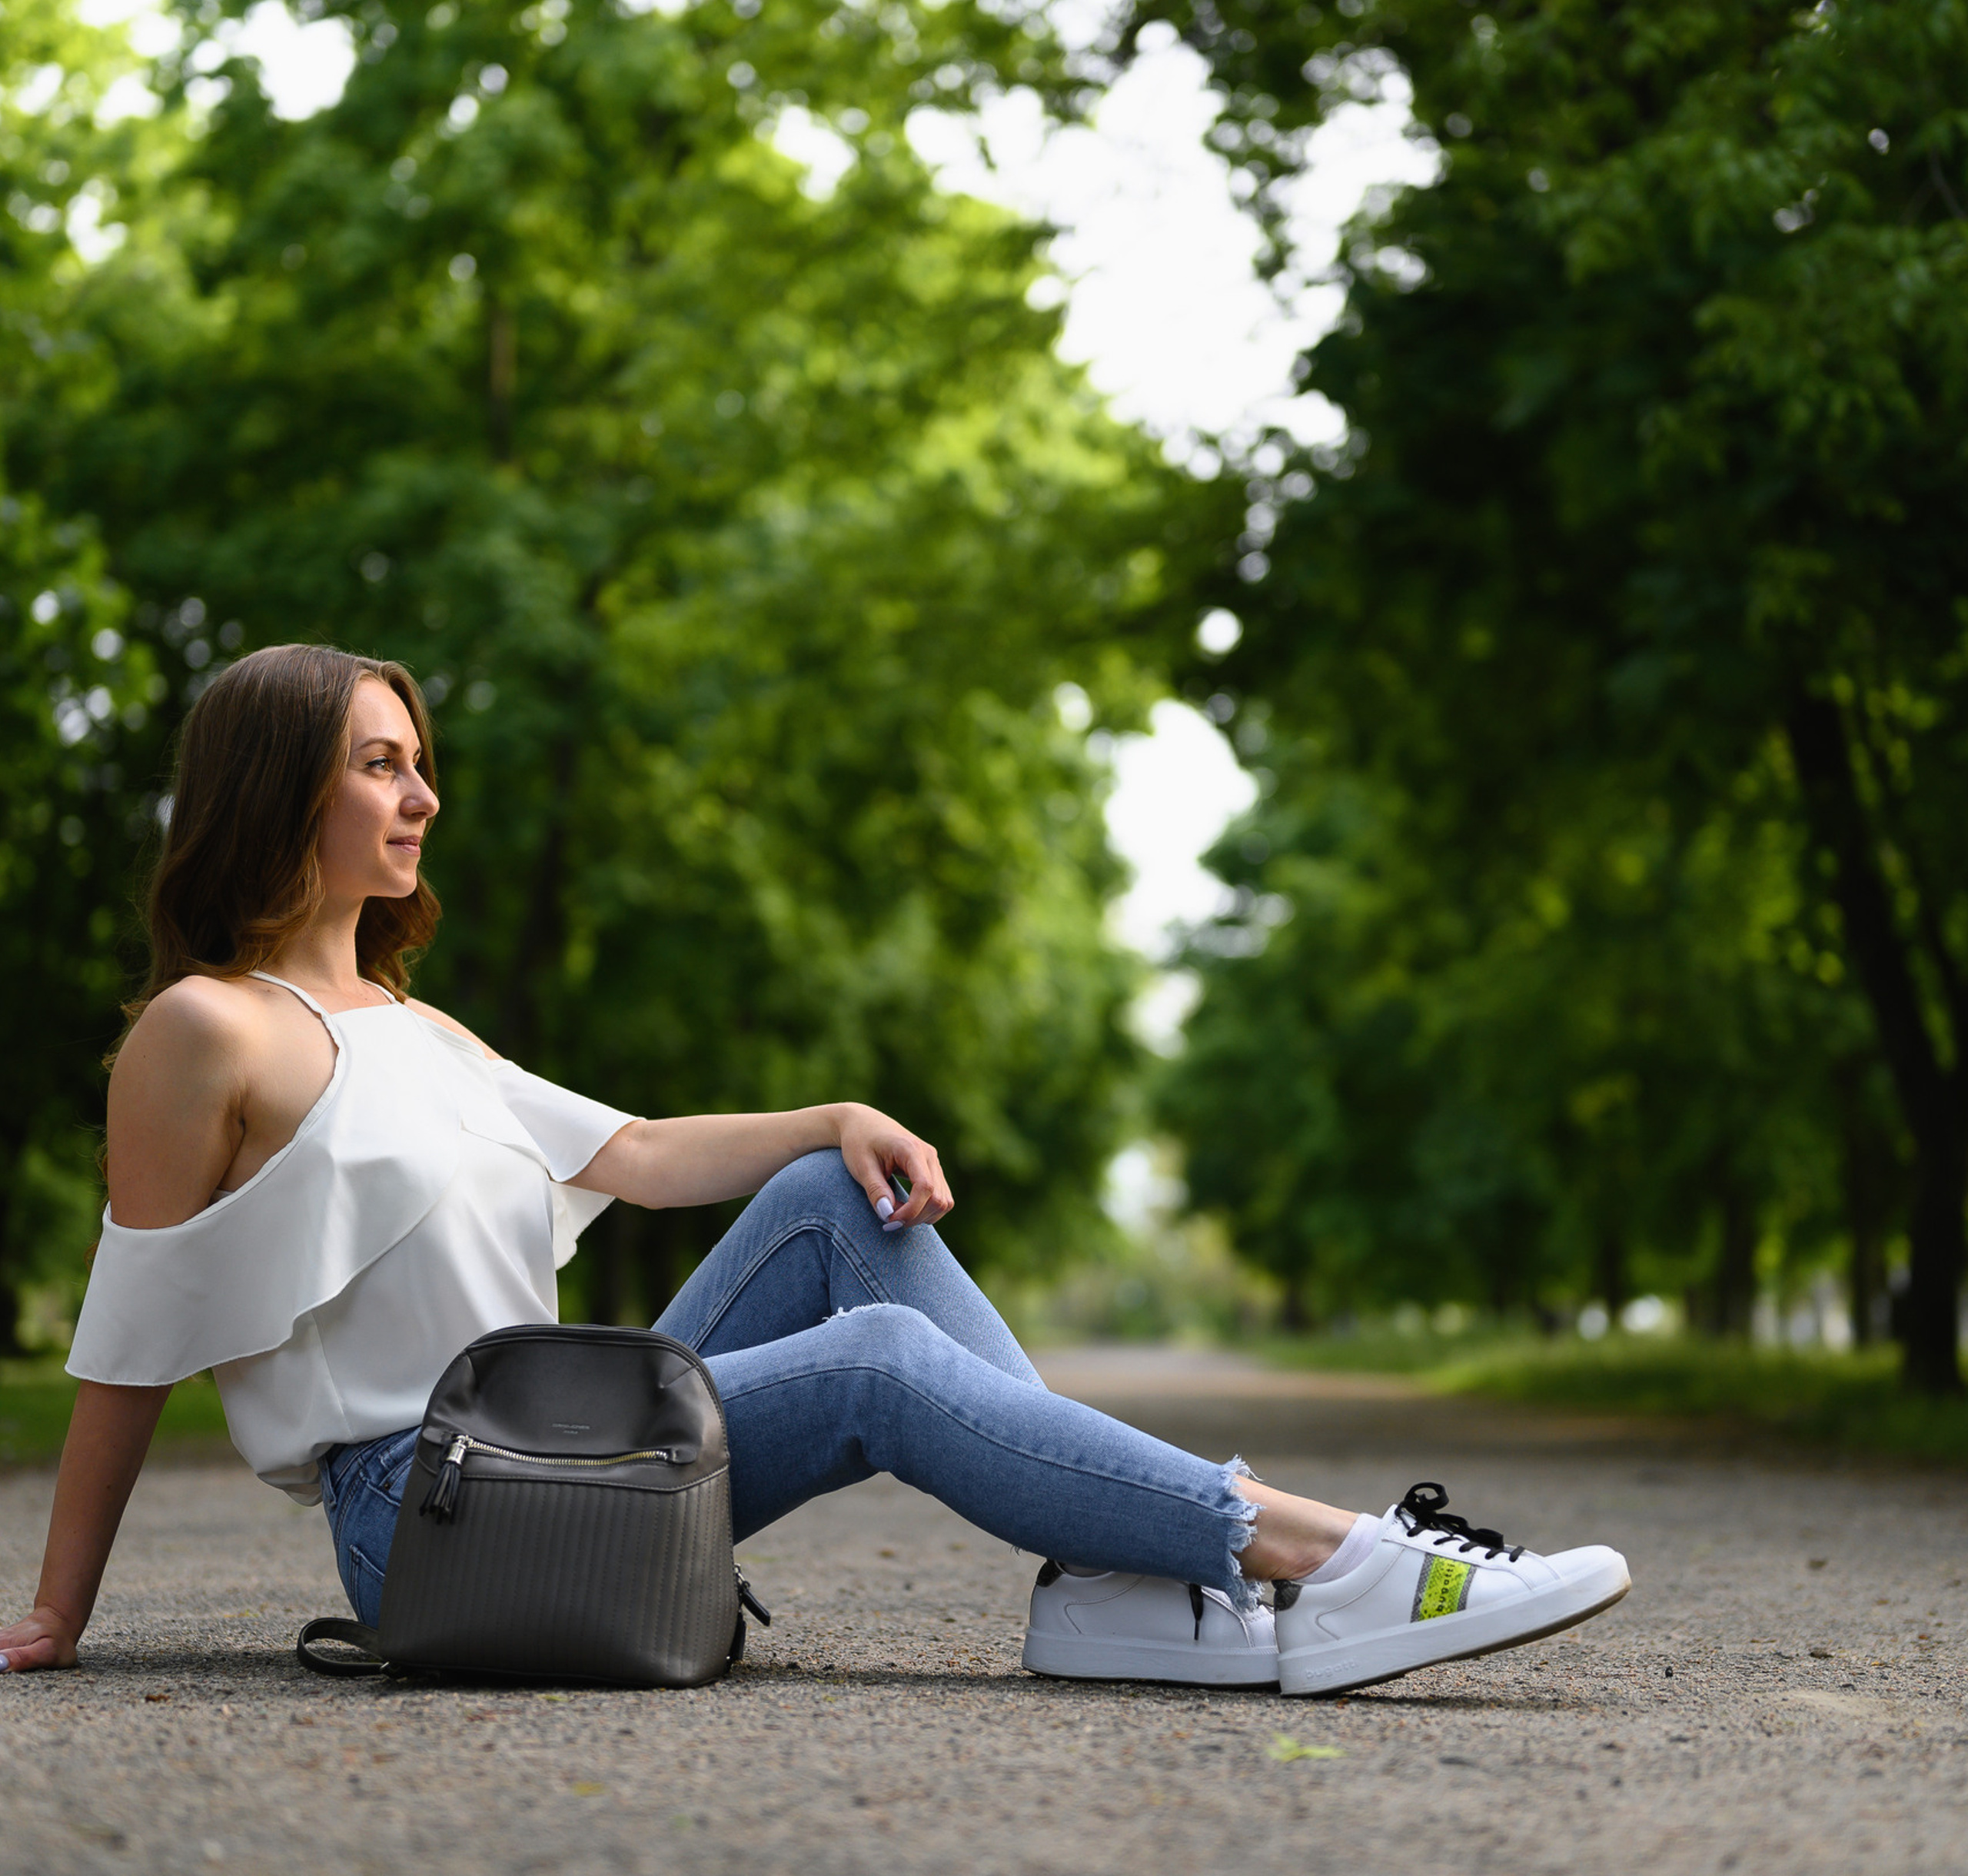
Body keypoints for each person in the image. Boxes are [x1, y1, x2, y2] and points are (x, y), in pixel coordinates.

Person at [0, 645, 1629, 1695]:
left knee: (826, 1204)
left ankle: (1111, 1577)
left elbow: (632, 1156)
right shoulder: (207, 1031)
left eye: (418, 760)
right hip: (429, 1515)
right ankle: (1322, 1555)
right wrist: (60, 1612)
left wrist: (831, 1114)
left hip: (562, 1434)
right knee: (874, 1360)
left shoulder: (416, 1026)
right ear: (275, 781)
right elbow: (130, 1335)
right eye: (377, 761)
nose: (422, 792)